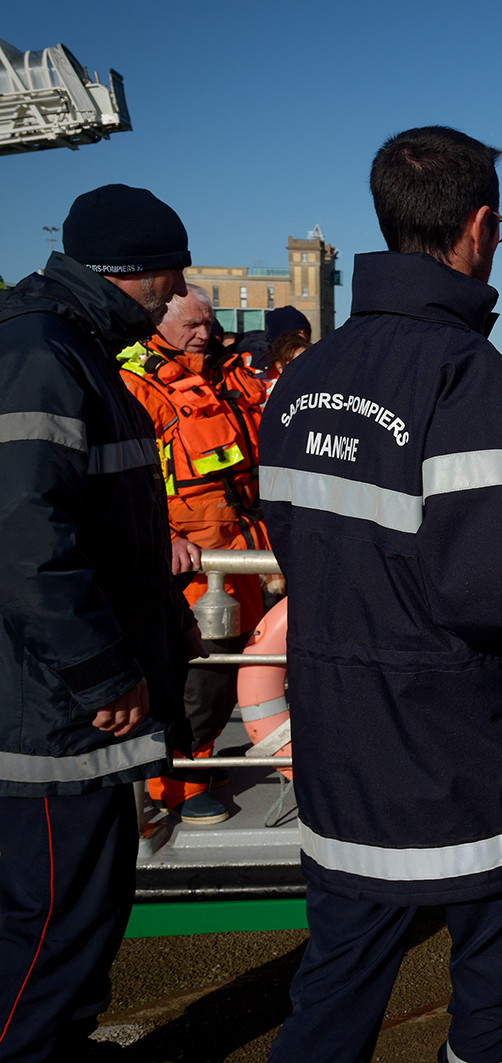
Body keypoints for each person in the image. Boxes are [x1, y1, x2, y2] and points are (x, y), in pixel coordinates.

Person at [259, 126, 502, 1063]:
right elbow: (481, 591)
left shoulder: (300, 382)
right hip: (472, 769)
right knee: (497, 1007)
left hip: (343, 758)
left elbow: (299, 552)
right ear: (478, 229)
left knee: (331, 999)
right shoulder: (474, 381)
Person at [0, 183, 198, 1062]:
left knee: (84, 911)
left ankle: (60, 1040)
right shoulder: (45, 354)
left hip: (65, 706)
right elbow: (23, 535)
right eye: (171, 271)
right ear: (135, 273)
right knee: (49, 921)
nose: (179, 288)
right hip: (52, 717)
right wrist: (102, 670)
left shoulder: (69, 349)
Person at [119, 284, 273, 824]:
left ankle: (199, 762)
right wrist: (162, 540)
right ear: (158, 322)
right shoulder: (137, 386)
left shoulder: (230, 377)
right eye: (191, 325)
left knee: (237, 667)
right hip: (191, 562)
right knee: (196, 674)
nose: (205, 334)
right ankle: (175, 784)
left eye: (208, 322)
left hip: (243, 551)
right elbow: (126, 483)